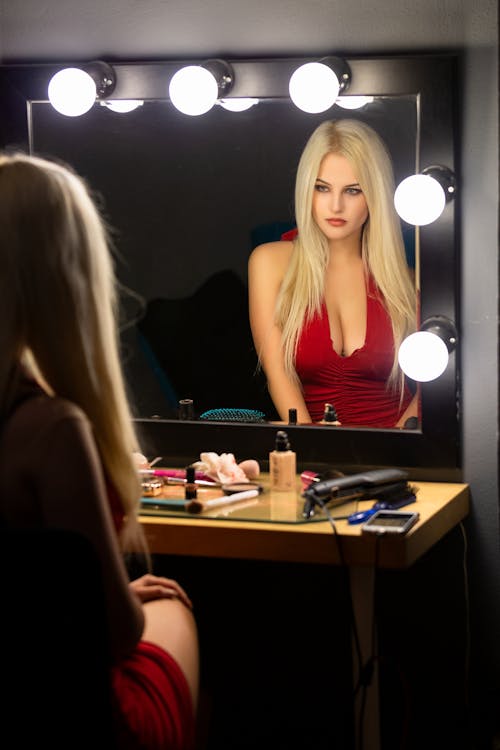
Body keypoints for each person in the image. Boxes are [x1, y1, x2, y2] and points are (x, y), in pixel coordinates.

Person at [0, 153, 199, 749]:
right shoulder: (53, 431)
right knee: (172, 613)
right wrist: (121, 599)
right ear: (69, 274)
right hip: (77, 716)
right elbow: (116, 631)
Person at [248, 118, 418, 428]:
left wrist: (396, 455)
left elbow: (431, 392)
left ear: (374, 197)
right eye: (322, 188)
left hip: (397, 454)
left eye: (353, 191)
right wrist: (319, 451)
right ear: (306, 191)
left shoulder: (407, 283)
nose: (336, 205)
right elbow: (279, 374)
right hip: (311, 453)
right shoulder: (269, 263)